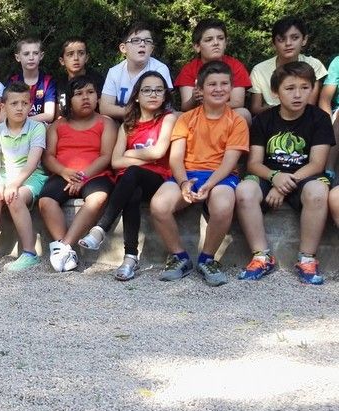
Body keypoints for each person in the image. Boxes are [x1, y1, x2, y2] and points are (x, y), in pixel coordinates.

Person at [149, 61, 249, 286]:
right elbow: (176, 157)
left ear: (231, 88)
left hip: (221, 176)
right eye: (212, 84)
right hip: (187, 173)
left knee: (223, 206)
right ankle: (179, 257)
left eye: (224, 84)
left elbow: (229, 162)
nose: (219, 88)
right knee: (158, 205)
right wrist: (184, 183)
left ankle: (207, 258)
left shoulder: (237, 121)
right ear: (200, 90)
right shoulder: (186, 118)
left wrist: (209, 185)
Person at [235, 62, 334, 285]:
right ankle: (261, 256)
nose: (297, 94)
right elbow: (254, 163)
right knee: (244, 191)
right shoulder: (263, 120)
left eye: (304, 87)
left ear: (312, 89)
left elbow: (317, 163)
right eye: (289, 88)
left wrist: (284, 183)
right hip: (268, 174)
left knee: (319, 191)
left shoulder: (319, 118)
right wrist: (274, 178)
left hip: (304, 176)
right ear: (275, 92)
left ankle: (307, 258)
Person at [78, 71, 176, 281]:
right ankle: (130, 258)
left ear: (165, 96)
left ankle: (101, 228)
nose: (153, 94)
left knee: (131, 173)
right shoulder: (127, 125)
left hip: (158, 180)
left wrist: (130, 154)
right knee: (132, 191)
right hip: (129, 183)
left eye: (159, 90)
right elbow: (115, 162)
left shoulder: (168, 119)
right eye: (147, 90)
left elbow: (159, 153)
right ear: (137, 96)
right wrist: (145, 158)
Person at [39, 76, 116, 272]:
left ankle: (64, 246)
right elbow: (48, 157)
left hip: (95, 174)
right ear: (69, 99)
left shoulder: (106, 122)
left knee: (98, 198)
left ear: (97, 97)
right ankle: (65, 249)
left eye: (90, 93)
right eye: (79, 94)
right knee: (46, 201)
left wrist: (82, 176)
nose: (85, 98)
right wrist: (64, 171)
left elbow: (106, 156)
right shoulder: (58, 125)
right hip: (64, 174)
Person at [0, 81, 50, 274]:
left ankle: (29, 252)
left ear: (30, 105)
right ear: (3, 107)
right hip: (4, 175)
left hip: (31, 177)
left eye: (24, 103)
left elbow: (32, 163)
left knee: (15, 196)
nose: (20, 108)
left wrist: (13, 184)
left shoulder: (37, 127)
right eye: (14, 103)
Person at [174, 19, 252, 122]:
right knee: (174, 117)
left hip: (225, 114)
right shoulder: (189, 69)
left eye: (220, 38)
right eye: (209, 40)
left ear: (225, 43)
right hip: (198, 116)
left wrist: (211, 107)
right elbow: (185, 107)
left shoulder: (235, 66)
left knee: (243, 113)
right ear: (197, 47)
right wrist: (194, 98)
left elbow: (237, 102)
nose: (216, 43)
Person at [249, 16, 327, 116]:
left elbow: (309, 104)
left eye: (295, 38)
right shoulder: (259, 70)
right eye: (281, 39)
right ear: (273, 44)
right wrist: (281, 111)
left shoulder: (314, 65)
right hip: (270, 118)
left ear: (304, 40)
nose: (288, 43)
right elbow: (255, 108)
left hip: (304, 117)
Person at [99, 23, 173, 120]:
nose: (142, 44)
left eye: (147, 41)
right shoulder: (115, 72)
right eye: (136, 40)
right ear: (123, 48)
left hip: (155, 121)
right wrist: (135, 112)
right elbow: (105, 108)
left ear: (152, 49)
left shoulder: (159, 69)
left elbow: (163, 106)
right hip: (125, 122)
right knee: (106, 121)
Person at [5, 38, 56, 123]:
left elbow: (49, 115)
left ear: (41, 56)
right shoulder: (12, 81)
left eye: (35, 53)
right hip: (16, 128)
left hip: (39, 127)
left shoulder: (48, 82)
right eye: (26, 54)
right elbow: (3, 116)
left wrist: (23, 121)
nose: (31, 57)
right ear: (18, 57)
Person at [56, 38, 105, 116]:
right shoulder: (59, 84)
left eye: (81, 53)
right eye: (70, 54)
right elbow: (58, 115)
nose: (76, 58)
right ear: (62, 61)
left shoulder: (97, 80)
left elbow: (104, 111)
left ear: (86, 58)